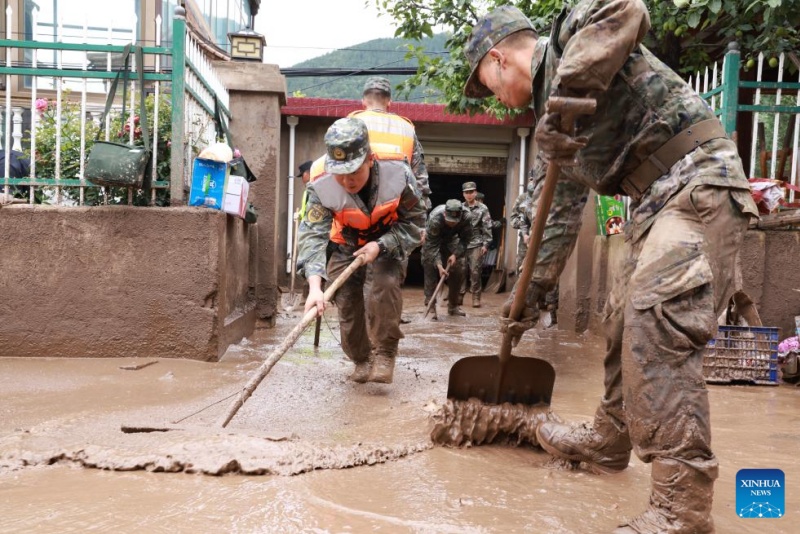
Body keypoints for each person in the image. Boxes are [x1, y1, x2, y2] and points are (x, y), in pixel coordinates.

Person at [462, 3, 758, 533]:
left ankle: (681, 509)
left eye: (488, 86)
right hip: (651, 204)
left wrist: (567, 95)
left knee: (657, 327)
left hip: (697, 181)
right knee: (620, 325)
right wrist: (528, 297)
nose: (495, 100)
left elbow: (626, 7)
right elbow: (557, 215)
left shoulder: (569, 41)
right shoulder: (554, 131)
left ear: (499, 59)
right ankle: (610, 439)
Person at [297, 118, 425, 385]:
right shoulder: (319, 181)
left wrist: (380, 245)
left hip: (389, 235)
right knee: (345, 296)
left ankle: (385, 353)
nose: (347, 180)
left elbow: (415, 224)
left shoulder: (397, 171)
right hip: (346, 238)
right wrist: (315, 287)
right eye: (340, 173)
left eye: (353, 171)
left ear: (369, 158)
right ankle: (361, 358)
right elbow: (313, 236)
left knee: (385, 284)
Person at [349, 76, 431, 211]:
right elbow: (420, 180)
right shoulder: (406, 129)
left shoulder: (350, 124)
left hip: (356, 208)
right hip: (394, 211)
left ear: (363, 102)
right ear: (389, 103)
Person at [421, 199, 473, 320]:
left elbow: (466, 239)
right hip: (433, 241)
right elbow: (432, 247)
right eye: (449, 221)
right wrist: (439, 265)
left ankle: (453, 306)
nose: (452, 224)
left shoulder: (466, 217)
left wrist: (455, 254)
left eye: (455, 222)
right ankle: (431, 307)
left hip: (451, 240)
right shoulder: (435, 219)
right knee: (430, 268)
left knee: (458, 269)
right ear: (445, 214)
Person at [459, 181, 492, 308]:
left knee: (475, 271)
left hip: (477, 243)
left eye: (471, 192)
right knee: (461, 270)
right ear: (463, 194)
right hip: (462, 243)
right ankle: (459, 295)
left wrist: (486, 244)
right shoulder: (460, 208)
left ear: (475, 193)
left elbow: (487, 226)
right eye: (466, 192)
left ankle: (476, 297)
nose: (469, 195)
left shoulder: (483, 208)